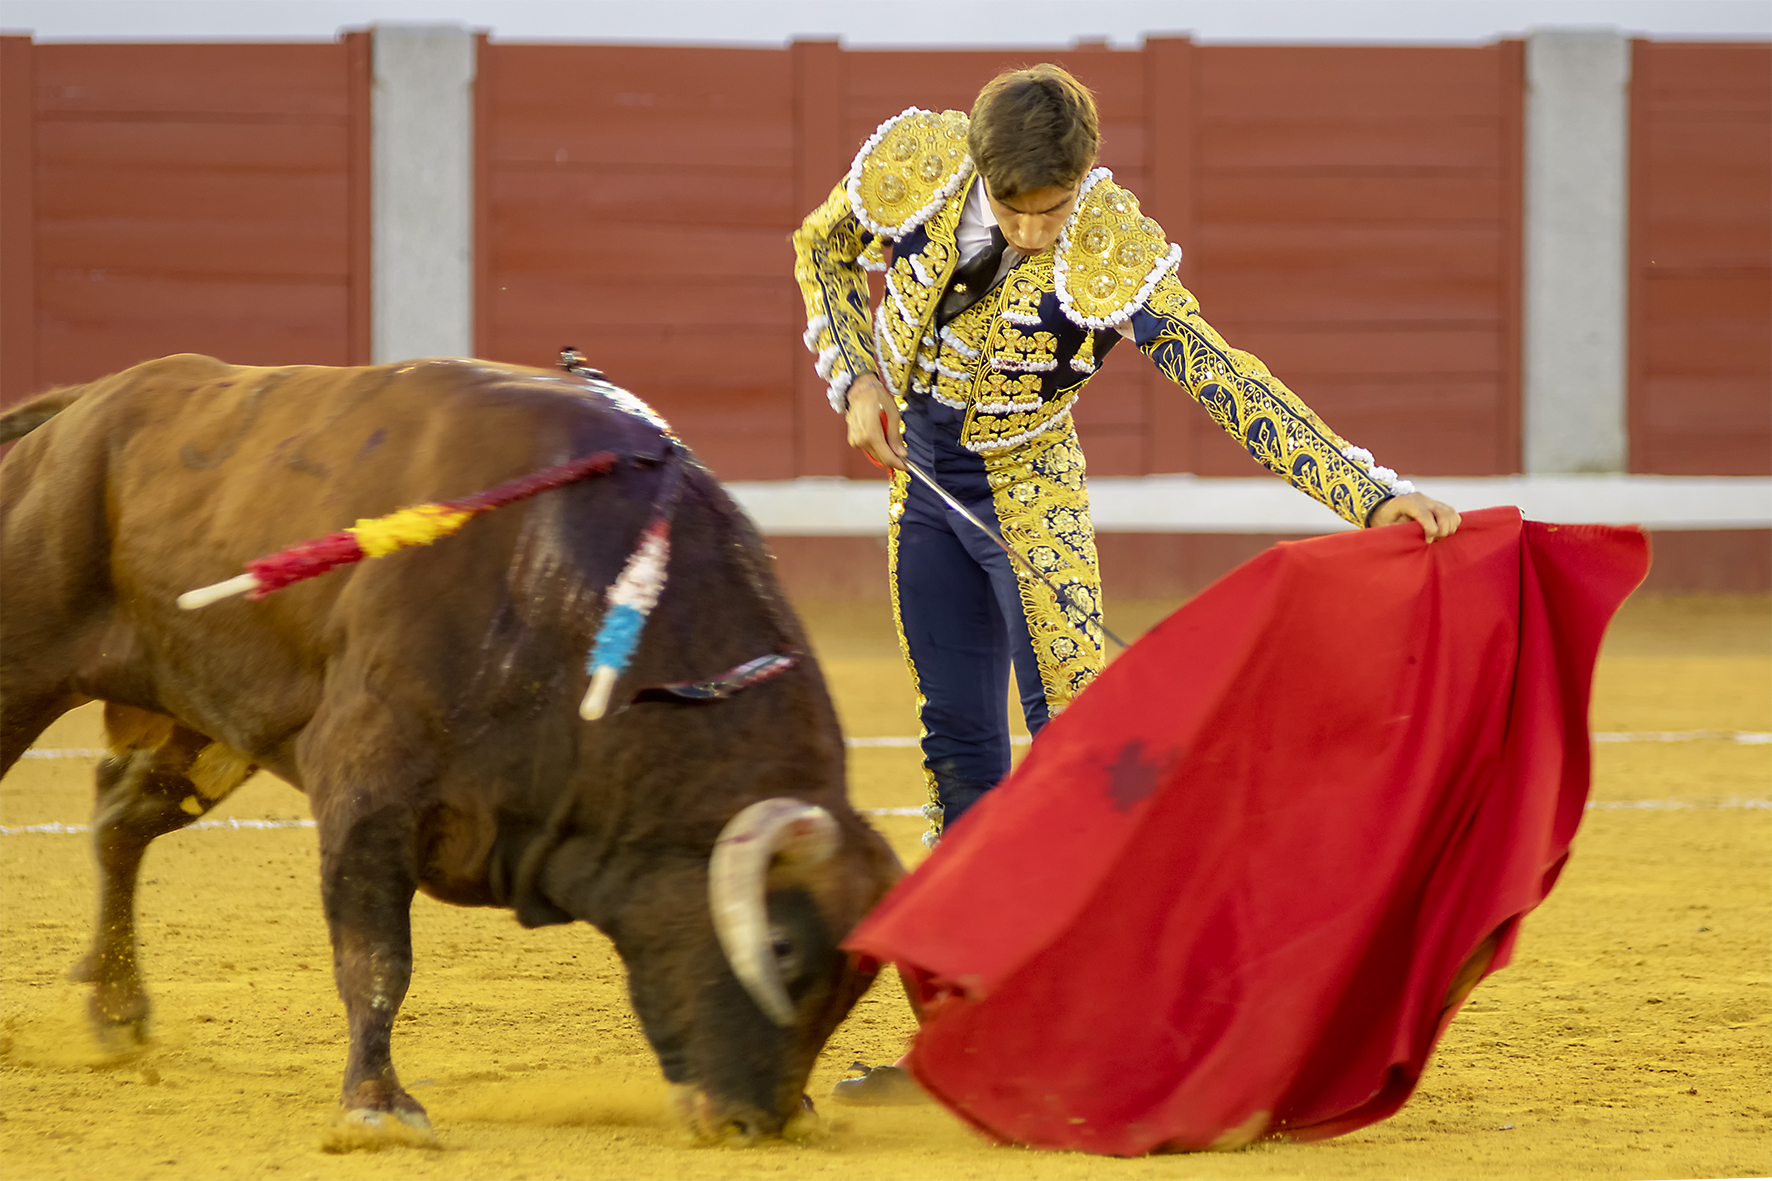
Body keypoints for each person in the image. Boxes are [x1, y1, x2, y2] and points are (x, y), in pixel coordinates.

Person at [792, 65, 1461, 1103]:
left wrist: (1366, 494)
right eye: (1014, 211)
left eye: (1051, 211)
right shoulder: (916, 163)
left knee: (1076, 753)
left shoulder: (1111, 246)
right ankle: (961, 1045)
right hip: (921, 491)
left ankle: (1112, 1032)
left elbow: (1217, 373)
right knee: (955, 748)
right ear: (975, 167)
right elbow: (821, 250)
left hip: (1027, 494)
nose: (1030, 234)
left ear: (1084, 181)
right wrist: (859, 373)